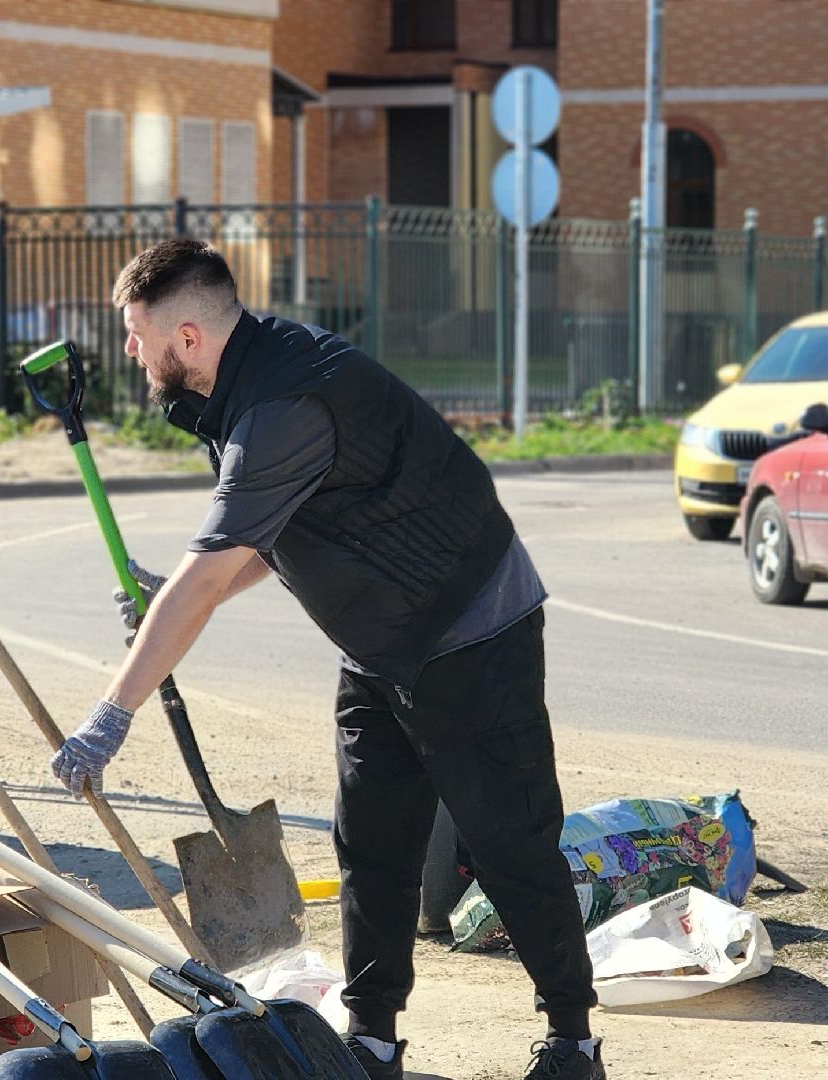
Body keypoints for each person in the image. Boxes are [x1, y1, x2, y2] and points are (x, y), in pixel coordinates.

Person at [46, 239, 605, 1080]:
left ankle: (573, 1041)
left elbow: (203, 580)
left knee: (507, 840)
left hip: (469, 628)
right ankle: (372, 1039)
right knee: (370, 842)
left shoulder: (282, 405)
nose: (130, 352)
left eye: (137, 335)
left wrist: (110, 715)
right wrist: (180, 591)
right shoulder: (242, 388)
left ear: (187, 337)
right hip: (379, 640)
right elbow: (269, 542)